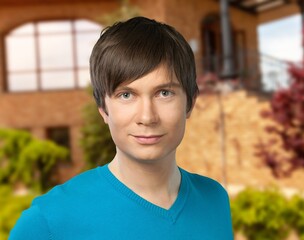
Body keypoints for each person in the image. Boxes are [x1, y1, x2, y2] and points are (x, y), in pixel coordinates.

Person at [9, 16, 233, 239]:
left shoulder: (215, 199)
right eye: (126, 95)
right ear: (103, 110)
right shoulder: (48, 221)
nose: (147, 117)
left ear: (190, 103)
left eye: (164, 93)